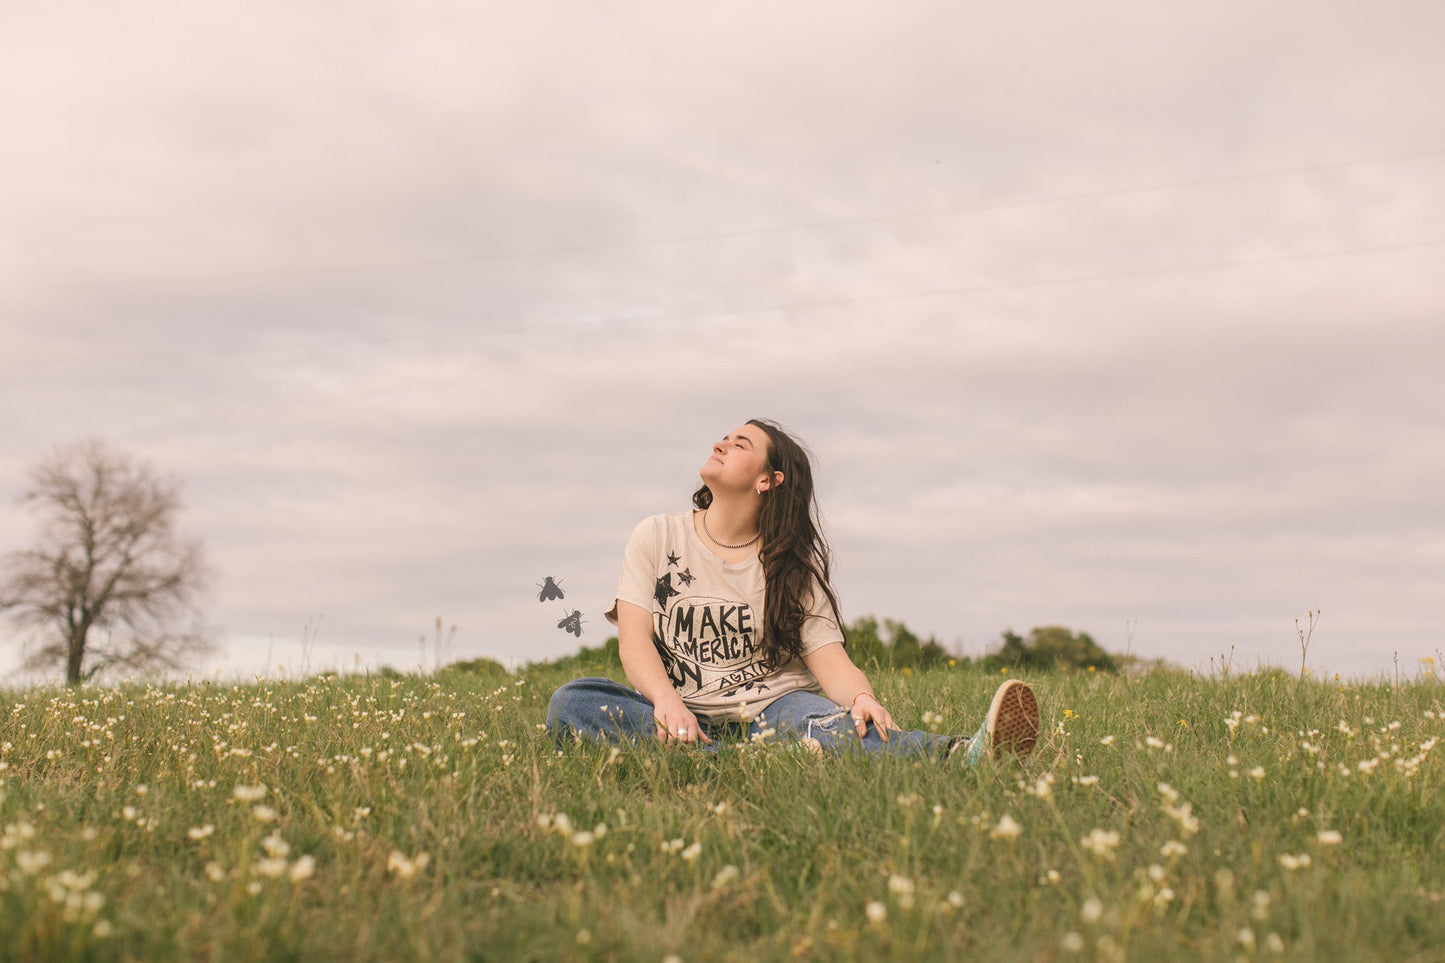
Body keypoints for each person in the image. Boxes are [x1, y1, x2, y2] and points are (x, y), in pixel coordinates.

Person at [546, 419, 1039, 762]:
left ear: (768, 479)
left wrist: (862, 696)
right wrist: (666, 702)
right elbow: (634, 641)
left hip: (773, 710)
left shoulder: (789, 567)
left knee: (833, 726)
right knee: (573, 703)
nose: (722, 444)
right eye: (724, 436)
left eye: (741, 444)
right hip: (681, 712)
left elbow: (829, 661)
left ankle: (960, 754)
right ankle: (734, 760)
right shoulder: (656, 535)